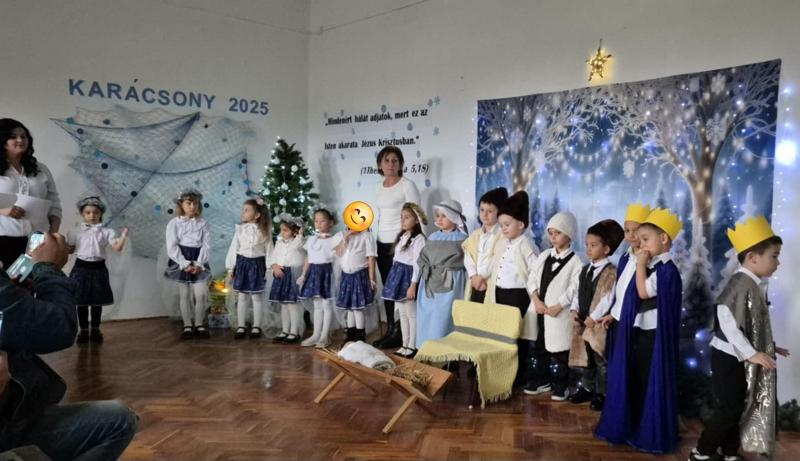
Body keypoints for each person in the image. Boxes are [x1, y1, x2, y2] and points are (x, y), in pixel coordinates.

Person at [0, 196, 137, 459]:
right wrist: (48, 267)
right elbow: (59, 329)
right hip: (8, 420)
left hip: (12, 406)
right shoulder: (75, 233)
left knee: (93, 304)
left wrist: (27, 268)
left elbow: (9, 295)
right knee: (120, 421)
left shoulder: (103, 232)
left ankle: (93, 329)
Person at [690, 216, 786, 461]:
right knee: (729, 409)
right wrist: (751, 353)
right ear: (753, 257)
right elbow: (727, 320)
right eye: (774, 256)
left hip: (738, 356)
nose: (778, 262)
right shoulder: (740, 283)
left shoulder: (754, 284)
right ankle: (701, 452)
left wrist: (770, 346)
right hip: (728, 357)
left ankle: (730, 453)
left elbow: (752, 325)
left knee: (736, 407)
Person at [596, 207, 683, 454]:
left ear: (663, 239)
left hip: (651, 334)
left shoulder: (664, 269)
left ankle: (647, 429)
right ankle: (633, 424)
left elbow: (643, 292)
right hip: (636, 328)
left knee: (646, 380)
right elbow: (625, 294)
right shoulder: (650, 264)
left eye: (645, 239)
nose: (640, 244)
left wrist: (641, 265)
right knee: (634, 378)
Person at [525, 211, 583, 400]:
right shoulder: (543, 256)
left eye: (558, 233)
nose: (553, 237)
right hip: (540, 310)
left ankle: (561, 385)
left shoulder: (576, 262)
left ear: (569, 235)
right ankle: (542, 380)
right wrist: (535, 299)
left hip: (559, 313)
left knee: (560, 351)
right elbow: (532, 278)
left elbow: (574, 288)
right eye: (551, 233)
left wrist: (559, 305)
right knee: (539, 347)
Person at [566, 219, 624, 410]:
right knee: (586, 357)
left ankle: (602, 393)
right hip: (583, 320)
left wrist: (594, 317)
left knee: (600, 358)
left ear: (606, 249)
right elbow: (578, 292)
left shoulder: (610, 272)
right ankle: (587, 388)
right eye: (586, 245)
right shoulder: (585, 270)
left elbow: (607, 297)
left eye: (593, 245)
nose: (588, 249)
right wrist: (574, 310)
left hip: (598, 323)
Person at [372, 146, 421, 349]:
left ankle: (402, 333)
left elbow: (417, 215)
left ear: (400, 164)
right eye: (386, 160)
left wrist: (414, 241)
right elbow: (380, 216)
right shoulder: (379, 187)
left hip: (401, 244)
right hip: (381, 243)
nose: (391, 164)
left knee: (401, 289)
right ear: (380, 165)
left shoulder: (407, 185)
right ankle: (392, 329)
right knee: (388, 288)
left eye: (395, 160)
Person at [489, 191, 539, 385]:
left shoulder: (526, 244)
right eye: (501, 225)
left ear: (521, 224)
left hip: (517, 296)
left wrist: (534, 296)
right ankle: (503, 369)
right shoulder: (504, 243)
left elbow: (535, 272)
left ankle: (517, 375)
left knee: (516, 336)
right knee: (502, 334)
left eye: (507, 224)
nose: (503, 229)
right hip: (500, 294)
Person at [0, 119, 62, 269]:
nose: (20, 140)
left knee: (34, 281)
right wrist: (3, 210)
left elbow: (54, 203)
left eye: (24, 136)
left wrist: (52, 235)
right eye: (13, 136)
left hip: (37, 240)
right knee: (5, 283)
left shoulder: (41, 169)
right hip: (3, 239)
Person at [67, 196, 129, 344]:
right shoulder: (75, 232)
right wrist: (60, 243)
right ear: (82, 214)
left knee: (97, 302)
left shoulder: (107, 232)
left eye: (96, 212)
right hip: (80, 268)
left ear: (101, 213)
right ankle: (83, 330)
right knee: (81, 302)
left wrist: (123, 236)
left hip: (98, 268)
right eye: (88, 212)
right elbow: (70, 250)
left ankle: (95, 329)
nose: (92, 215)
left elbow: (117, 248)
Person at [415, 200, 468, 348]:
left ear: (454, 217)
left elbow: (466, 262)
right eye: (437, 216)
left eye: (444, 216)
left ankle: (444, 348)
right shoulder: (433, 237)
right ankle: (426, 347)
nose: (439, 219)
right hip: (430, 281)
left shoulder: (462, 238)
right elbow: (423, 257)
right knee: (428, 314)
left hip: (450, 281)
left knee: (443, 315)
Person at [164, 189, 212, 340]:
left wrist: (199, 263)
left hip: (198, 258)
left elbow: (206, 245)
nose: (192, 206)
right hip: (182, 258)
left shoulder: (203, 223)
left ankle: (199, 324)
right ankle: (187, 325)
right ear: (181, 205)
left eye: (195, 203)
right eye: (188, 203)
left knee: (201, 294)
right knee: (184, 294)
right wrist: (184, 264)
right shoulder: (174, 223)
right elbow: (171, 246)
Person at [381, 202, 427, 357]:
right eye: (402, 217)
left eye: (407, 217)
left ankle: (413, 346)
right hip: (398, 277)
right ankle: (404, 344)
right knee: (402, 314)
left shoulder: (419, 239)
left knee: (411, 314)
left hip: (408, 279)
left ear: (416, 220)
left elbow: (417, 264)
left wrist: (413, 285)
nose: (403, 220)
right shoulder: (403, 236)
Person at [225, 198, 273, 340]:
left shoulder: (265, 231)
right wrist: (230, 269)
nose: (243, 212)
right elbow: (234, 249)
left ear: (257, 215)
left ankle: (257, 325)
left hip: (257, 265)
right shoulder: (240, 230)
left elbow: (270, 251)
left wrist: (269, 269)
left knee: (257, 296)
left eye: (247, 210)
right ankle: (241, 325)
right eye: (243, 210)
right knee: (242, 296)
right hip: (242, 264)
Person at [299, 204, 342, 348]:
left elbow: (338, 258)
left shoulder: (334, 240)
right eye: (316, 221)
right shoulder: (311, 239)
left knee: (326, 304)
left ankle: (325, 336)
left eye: (322, 221)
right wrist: (303, 274)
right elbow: (308, 258)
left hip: (327, 273)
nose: (318, 223)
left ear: (331, 223)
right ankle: (316, 334)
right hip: (313, 273)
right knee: (317, 304)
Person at [334, 224, 377, 344]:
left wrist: (372, 279)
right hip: (346, 276)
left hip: (359, 275)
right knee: (350, 308)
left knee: (357, 308)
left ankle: (360, 337)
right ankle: (350, 335)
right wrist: (345, 238)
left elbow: (371, 258)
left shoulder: (366, 236)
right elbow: (338, 253)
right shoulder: (344, 236)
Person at [463, 187, 508, 303]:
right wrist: (473, 276)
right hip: (475, 282)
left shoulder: (502, 236)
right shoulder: (475, 235)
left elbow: (496, 259)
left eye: (490, 211)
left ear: (499, 212)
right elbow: (468, 256)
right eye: (482, 210)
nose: (484, 214)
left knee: (488, 311)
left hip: (490, 283)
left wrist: (482, 277)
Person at [268, 213, 306, 344]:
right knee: (284, 305)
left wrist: (300, 232)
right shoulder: (279, 243)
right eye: (281, 230)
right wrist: (275, 267)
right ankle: (285, 330)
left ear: (294, 231)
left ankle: (294, 332)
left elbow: (299, 241)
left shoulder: (298, 242)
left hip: (292, 275)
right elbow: (273, 258)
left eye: (285, 230)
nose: (281, 233)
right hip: (281, 275)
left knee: (292, 305)